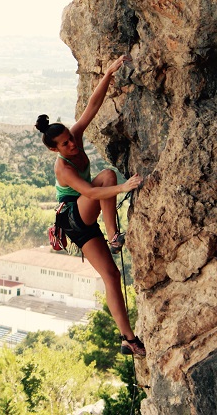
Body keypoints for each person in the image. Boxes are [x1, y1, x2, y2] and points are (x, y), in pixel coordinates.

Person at [35, 54, 145, 357]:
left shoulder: (76, 138)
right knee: (107, 175)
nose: (72, 144)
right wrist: (123, 186)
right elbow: (90, 192)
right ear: (55, 150)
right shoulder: (63, 168)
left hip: (84, 215)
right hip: (72, 215)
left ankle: (127, 338)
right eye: (66, 144)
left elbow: (92, 107)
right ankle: (113, 236)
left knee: (112, 276)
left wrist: (108, 73)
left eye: (71, 138)